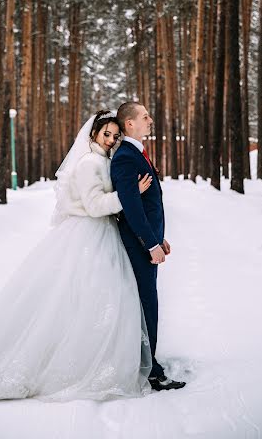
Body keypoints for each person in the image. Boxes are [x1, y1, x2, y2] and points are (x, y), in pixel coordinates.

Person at [0, 111, 153, 402]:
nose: (110, 140)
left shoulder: (102, 161)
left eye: (114, 135)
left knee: (98, 299)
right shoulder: (89, 164)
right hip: (89, 234)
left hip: (101, 234)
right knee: (82, 296)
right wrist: (129, 193)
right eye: (105, 134)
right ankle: (74, 363)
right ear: (93, 134)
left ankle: (94, 354)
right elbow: (95, 206)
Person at [111, 102, 186, 391]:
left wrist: (159, 236)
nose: (150, 119)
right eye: (144, 116)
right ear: (129, 123)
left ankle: (144, 361)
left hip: (147, 240)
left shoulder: (135, 153)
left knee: (146, 305)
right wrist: (150, 242)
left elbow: (146, 203)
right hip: (139, 246)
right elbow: (131, 208)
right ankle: (151, 370)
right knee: (146, 305)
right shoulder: (125, 158)